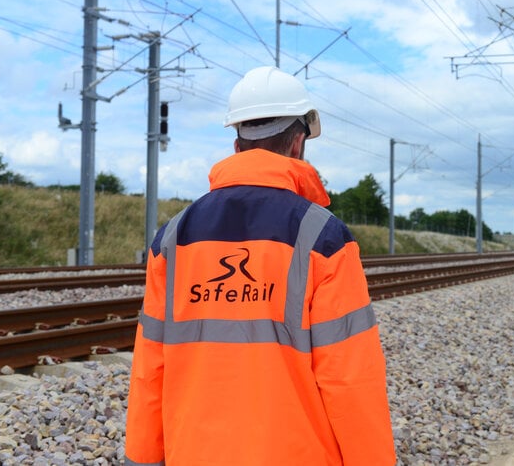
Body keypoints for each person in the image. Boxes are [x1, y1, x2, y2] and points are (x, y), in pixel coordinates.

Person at [124, 66, 397, 465]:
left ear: (237, 145)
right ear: (298, 144)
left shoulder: (172, 238)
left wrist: (143, 460)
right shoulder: (324, 238)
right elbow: (350, 380)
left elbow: (151, 368)